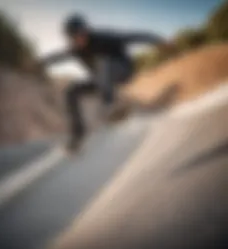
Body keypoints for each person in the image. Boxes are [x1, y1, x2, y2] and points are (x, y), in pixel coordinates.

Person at [40, 14, 168, 153]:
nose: (80, 40)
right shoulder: (75, 50)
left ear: (86, 30)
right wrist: (39, 63)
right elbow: (58, 56)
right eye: (75, 38)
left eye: (82, 35)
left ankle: (110, 105)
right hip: (101, 80)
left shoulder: (103, 37)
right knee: (71, 91)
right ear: (70, 39)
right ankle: (77, 136)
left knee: (103, 61)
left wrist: (157, 40)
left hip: (123, 70)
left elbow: (131, 37)